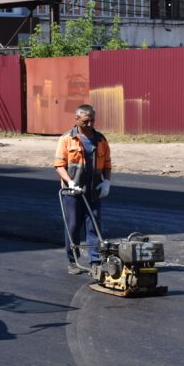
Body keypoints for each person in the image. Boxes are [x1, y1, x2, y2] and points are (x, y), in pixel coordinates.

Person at [54, 104, 112, 275]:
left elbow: (107, 165)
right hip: (73, 192)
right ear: (77, 119)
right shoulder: (66, 139)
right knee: (72, 226)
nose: (90, 124)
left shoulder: (101, 140)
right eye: (86, 121)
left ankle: (95, 261)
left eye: (92, 120)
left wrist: (107, 182)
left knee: (94, 225)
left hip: (93, 190)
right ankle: (72, 260)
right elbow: (59, 165)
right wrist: (70, 182)